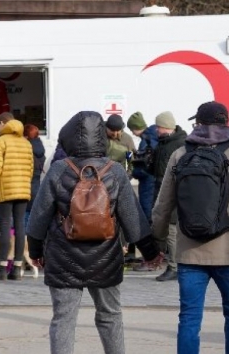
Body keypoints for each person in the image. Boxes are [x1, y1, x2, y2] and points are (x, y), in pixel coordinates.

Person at [27, 111, 163, 354]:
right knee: (110, 315)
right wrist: (151, 253)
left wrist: (36, 250)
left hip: (63, 257)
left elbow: (39, 217)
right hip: (106, 257)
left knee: (63, 319)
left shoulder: (58, 170)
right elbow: (133, 219)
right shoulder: (116, 171)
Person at [152, 101, 229, 353]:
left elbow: (163, 204)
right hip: (227, 252)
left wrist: (159, 241)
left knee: (189, 318)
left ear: (199, 123)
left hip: (188, 251)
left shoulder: (181, 153)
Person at [0, 112, 34, 281]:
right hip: (22, 190)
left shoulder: (1, 142)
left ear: (2, 124)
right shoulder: (26, 143)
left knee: (5, 226)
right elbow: (30, 169)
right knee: (20, 226)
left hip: (5, 190)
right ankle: (16, 268)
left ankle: (1, 268)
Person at [146, 111, 186, 281]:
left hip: (173, 196)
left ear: (166, 127)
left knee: (170, 231)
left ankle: (174, 267)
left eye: (159, 127)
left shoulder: (177, 145)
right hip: (165, 193)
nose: (156, 130)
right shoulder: (165, 143)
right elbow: (156, 170)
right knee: (167, 230)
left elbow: (167, 176)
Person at [126, 112, 158, 224]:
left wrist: (134, 172)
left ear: (136, 128)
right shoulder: (155, 136)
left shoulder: (146, 142)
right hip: (157, 179)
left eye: (132, 130)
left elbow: (145, 166)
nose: (133, 133)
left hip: (148, 183)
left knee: (147, 211)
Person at [24, 123, 46, 228]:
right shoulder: (40, 147)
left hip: (26, 186)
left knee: (24, 218)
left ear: (26, 136)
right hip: (37, 186)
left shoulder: (27, 149)